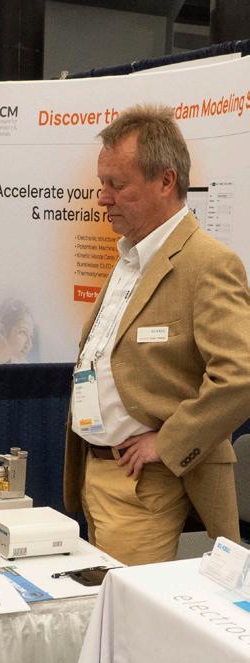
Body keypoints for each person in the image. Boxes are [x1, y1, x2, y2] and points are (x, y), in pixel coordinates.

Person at [63, 104, 250, 566]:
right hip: (96, 472)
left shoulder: (207, 263)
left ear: (166, 181)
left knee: (124, 607)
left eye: (117, 185)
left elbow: (241, 376)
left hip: (144, 484)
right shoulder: (131, 258)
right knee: (101, 604)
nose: (102, 198)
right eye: (102, 183)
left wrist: (166, 443)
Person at [0, 298, 35, 363]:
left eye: (30, 336)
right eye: (23, 332)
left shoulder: (21, 363)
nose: (29, 344)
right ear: (2, 331)